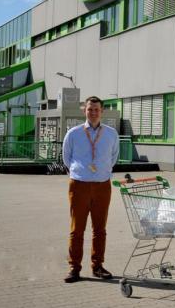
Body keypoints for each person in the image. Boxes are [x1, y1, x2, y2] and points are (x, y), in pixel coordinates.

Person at [62, 96, 120, 283]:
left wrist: (101, 172)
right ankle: (74, 268)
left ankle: (97, 266)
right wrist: (81, 172)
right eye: (90, 109)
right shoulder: (74, 133)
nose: (93, 113)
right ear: (84, 111)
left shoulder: (111, 134)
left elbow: (113, 157)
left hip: (103, 185)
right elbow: (66, 158)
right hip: (79, 185)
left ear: (102, 111)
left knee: (99, 229)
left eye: (96, 109)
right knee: (77, 229)